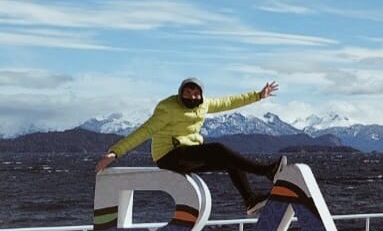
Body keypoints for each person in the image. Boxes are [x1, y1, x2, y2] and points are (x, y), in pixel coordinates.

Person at [95, 78, 287, 214]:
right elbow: (144, 131)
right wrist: (115, 153)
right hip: (169, 155)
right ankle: (266, 171)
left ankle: (251, 201)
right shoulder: (167, 109)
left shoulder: (203, 105)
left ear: (201, 95)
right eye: (188, 92)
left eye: (196, 93)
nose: (192, 97)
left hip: (188, 153)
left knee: (230, 161)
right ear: (181, 93)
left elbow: (228, 102)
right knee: (219, 149)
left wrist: (258, 95)